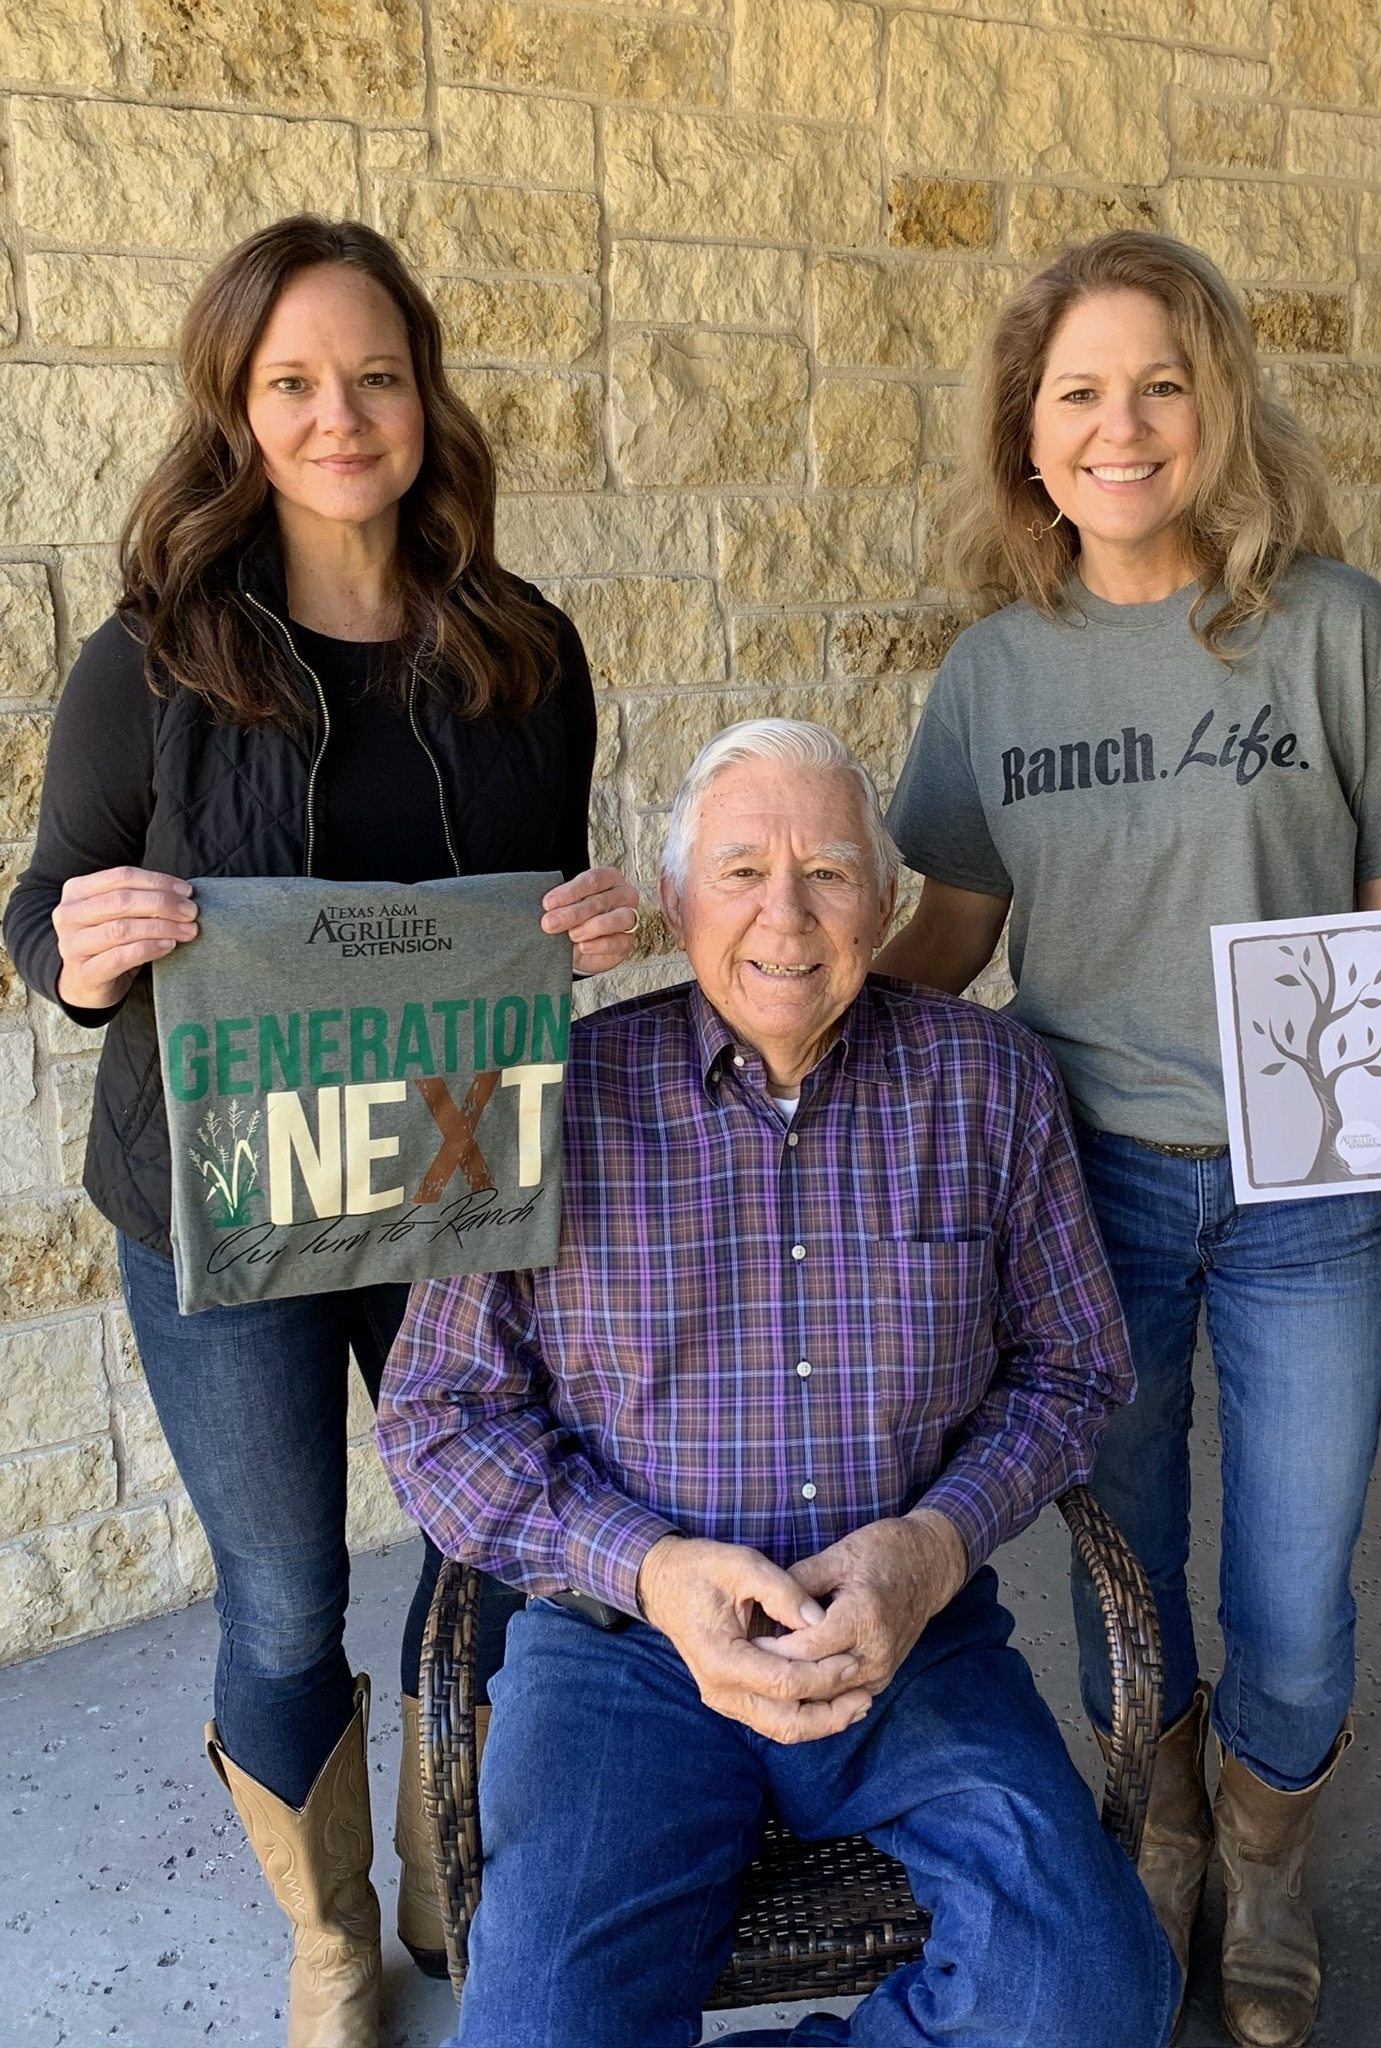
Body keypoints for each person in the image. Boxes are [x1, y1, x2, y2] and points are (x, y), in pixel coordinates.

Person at [868, 231, 1381, 2048]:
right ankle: (1169, 1823)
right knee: (1121, 1560)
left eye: (1160, 384)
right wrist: (772, 1015)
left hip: (1310, 1185)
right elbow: (947, 942)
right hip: (1081, 1189)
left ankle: (1269, 1846)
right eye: (1077, 395)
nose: (1122, 428)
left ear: (1219, 408)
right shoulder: (992, 677)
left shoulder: (1330, 629)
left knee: (1291, 1585)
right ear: (1025, 438)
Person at [2, 216, 639, 2048]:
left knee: (500, 1546)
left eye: (373, 375)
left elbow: (530, 920)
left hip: (451, 1189)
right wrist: (89, 952)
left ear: (423, 397)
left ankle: (457, 1855)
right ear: (238, 407)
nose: (339, 414)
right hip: (223, 1201)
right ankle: (333, 1940)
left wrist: (588, 925)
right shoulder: (156, 660)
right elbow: (42, 913)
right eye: (293, 382)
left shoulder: (526, 649)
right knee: (286, 1597)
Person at [375, 719, 1181, 2048]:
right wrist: (643, 1568)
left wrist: (931, 1547)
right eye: (741, 870)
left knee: (1096, 1996)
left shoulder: (988, 1085)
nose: (786, 917)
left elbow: (1072, 1370)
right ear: (678, 900)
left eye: (827, 872)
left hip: (906, 1637)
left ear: (884, 901)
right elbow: (439, 1416)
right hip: (624, 1658)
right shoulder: (545, 1095)